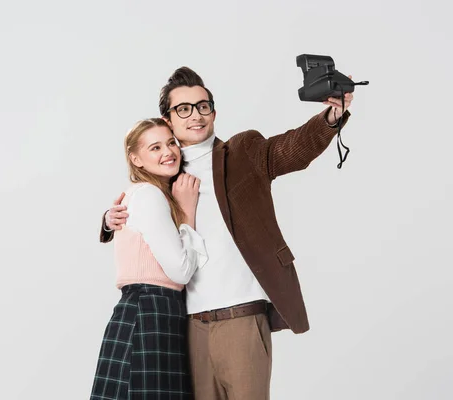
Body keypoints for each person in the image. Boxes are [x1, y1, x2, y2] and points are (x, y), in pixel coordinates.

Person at [100, 67, 355, 400]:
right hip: (188, 327)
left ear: (214, 112)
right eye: (184, 109)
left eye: (203, 106)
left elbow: (293, 147)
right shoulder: (163, 174)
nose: (196, 116)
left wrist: (331, 117)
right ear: (168, 120)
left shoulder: (243, 151)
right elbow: (140, 211)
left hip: (241, 318)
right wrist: (108, 220)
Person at [90, 118, 208, 400]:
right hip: (149, 312)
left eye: (170, 143)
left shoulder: (154, 194)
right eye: (154, 147)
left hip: (151, 311)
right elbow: (180, 272)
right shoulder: (150, 195)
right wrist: (188, 214)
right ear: (136, 159)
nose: (168, 152)